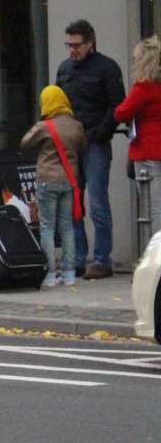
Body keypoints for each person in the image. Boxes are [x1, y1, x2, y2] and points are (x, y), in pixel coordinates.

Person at [55, 19, 125, 279]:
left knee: (96, 202)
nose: (72, 50)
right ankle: (77, 259)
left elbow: (116, 106)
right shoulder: (65, 69)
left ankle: (101, 260)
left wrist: (99, 134)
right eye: (69, 45)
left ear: (90, 42)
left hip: (94, 142)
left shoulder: (106, 68)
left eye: (77, 45)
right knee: (73, 202)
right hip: (73, 143)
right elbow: (59, 104)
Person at [21, 86, 87, 288]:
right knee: (67, 227)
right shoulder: (75, 126)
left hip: (47, 180)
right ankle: (68, 274)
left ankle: (49, 273)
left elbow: (24, 142)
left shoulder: (44, 126)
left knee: (47, 228)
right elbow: (83, 146)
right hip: (69, 181)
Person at [113, 36, 161, 230]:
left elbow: (120, 113)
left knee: (154, 206)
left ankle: (157, 254)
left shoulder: (143, 87)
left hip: (147, 150)